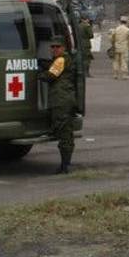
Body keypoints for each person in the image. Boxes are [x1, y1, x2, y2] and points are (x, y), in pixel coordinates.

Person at [42, 35, 78, 174]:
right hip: (65, 100)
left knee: (64, 132)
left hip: (61, 102)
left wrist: (39, 73)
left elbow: (49, 76)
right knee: (66, 132)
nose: (55, 49)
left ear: (63, 48)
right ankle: (66, 163)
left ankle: (65, 165)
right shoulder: (64, 59)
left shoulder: (61, 60)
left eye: (58, 47)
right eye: (53, 47)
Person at [108, 16, 129, 81]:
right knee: (124, 61)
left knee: (116, 61)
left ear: (120, 22)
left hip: (116, 47)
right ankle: (124, 75)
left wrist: (113, 44)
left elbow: (111, 38)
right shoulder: (128, 30)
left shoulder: (116, 29)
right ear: (126, 22)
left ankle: (115, 74)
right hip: (124, 47)